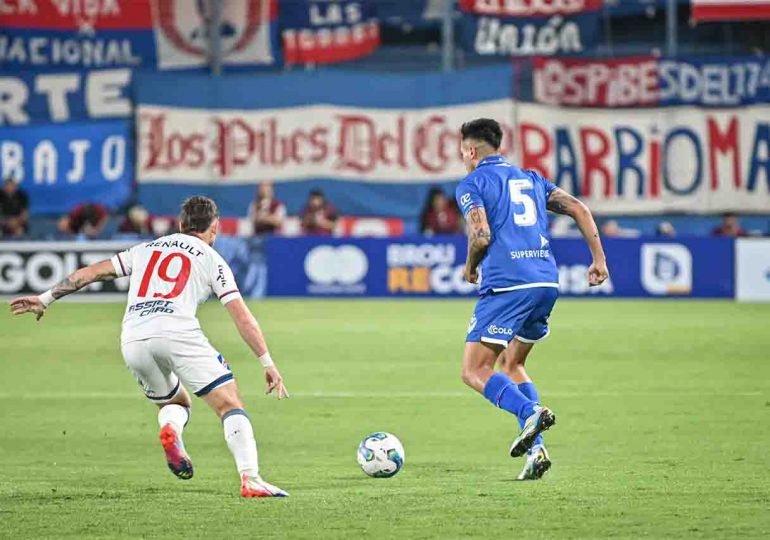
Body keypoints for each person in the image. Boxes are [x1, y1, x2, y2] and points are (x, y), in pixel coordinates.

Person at [10, 196, 289, 498]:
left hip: (133, 338)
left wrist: (46, 298)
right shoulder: (211, 258)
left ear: (181, 225)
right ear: (215, 228)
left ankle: (173, 432)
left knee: (175, 403)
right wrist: (267, 362)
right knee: (230, 404)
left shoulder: (146, 248)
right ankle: (251, 478)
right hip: (178, 332)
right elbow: (242, 317)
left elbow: (92, 272)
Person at [455, 118, 608, 481]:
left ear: (472, 151)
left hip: (508, 285)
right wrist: (599, 260)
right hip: (545, 282)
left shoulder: (473, 183)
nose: (462, 158)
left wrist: (470, 267)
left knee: (474, 370)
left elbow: (480, 236)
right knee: (511, 364)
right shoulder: (533, 178)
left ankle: (528, 414)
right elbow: (580, 209)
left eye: (462, 152)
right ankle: (536, 451)